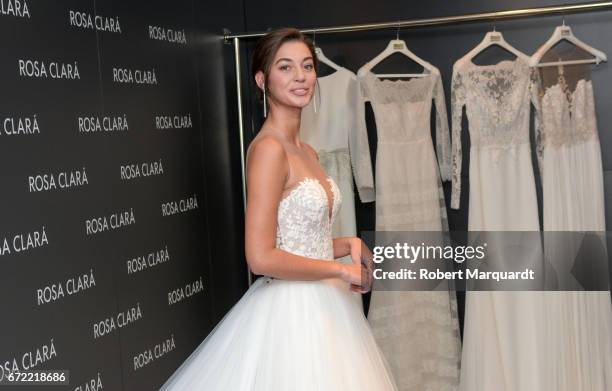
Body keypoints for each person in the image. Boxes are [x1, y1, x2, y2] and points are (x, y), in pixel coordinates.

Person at [159, 27, 398, 390]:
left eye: (306, 66)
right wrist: (339, 269)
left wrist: (346, 242)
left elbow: (298, 243)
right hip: (293, 316)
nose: (300, 77)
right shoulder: (269, 149)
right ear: (262, 79)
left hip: (327, 306)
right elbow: (260, 257)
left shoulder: (308, 152)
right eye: (285, 67)